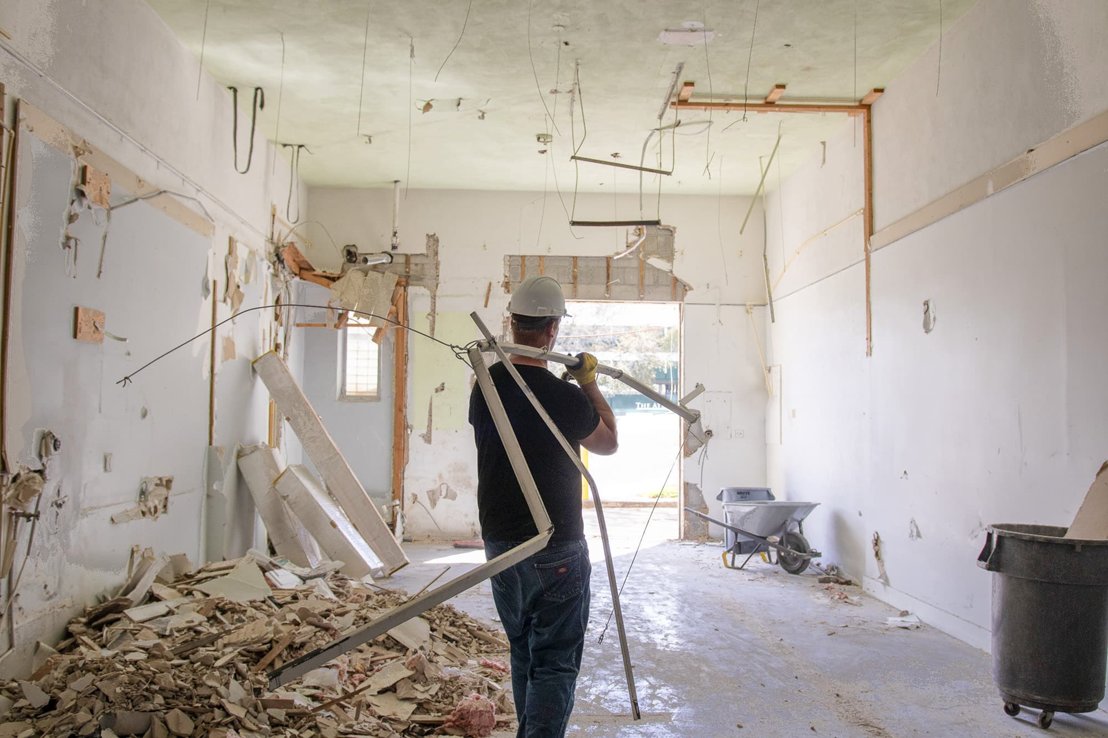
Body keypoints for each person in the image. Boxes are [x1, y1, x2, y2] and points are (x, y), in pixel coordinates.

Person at [468, 275, 618, 737]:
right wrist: (587, 383)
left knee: (523, 649)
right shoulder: (565, 396)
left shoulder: (485, 386)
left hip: (500, 543)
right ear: (552, 331)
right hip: (555, 544)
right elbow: (609, 442)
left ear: (511, 324)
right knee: (554, 661)